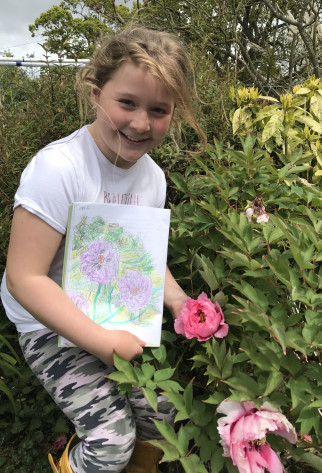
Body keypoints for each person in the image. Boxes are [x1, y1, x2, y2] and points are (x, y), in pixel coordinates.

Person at [0, 25, 206, 473]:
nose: (140, 123)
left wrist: (178, 301)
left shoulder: (152, 177)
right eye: (126, 103)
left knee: (163, 417)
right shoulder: (59, 169)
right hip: (49, 324)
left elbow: (144, 255)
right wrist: (102, 342)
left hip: (116, 315)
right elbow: (24, 278)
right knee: (111, 439)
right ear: (96, 93)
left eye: (159, 110)